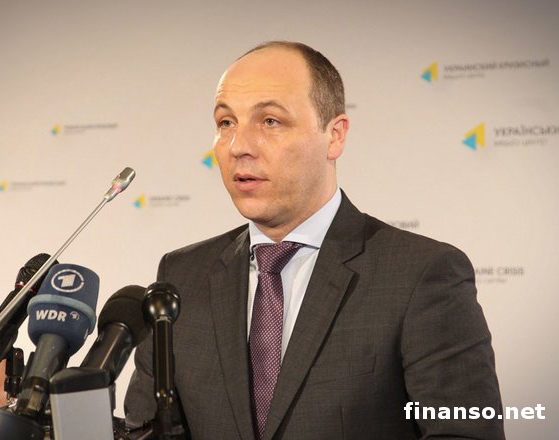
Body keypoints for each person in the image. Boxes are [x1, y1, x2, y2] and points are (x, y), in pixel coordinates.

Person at [124, 41, 505, 439]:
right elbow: (144, 430)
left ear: (334, 136)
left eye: (270, 121)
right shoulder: (182, 277)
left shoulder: (421, 275)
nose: (239, 147)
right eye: (226, 123)